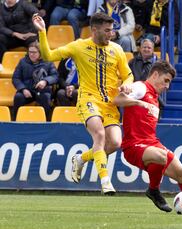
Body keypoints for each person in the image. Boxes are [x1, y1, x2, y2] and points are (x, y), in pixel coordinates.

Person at [33, 12, 134, 194]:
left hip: (110, 103)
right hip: (88, 99)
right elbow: (48, 56)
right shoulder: (79, 46)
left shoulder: (117, 50)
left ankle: (81, 159)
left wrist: (126, 85)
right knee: (99, 135)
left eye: (112, 30)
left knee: (116, 143)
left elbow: (128, 75)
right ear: (94, 30)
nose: (111, 34)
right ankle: (105, 182)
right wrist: (41, 32)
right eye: (107, 30)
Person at [113, 60, 182, 214]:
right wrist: (139, 103)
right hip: (133, 146)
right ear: (154, 75)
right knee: (161, 156)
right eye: (165, 81)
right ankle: (153, 190)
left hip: (152, 143)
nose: (167, 86)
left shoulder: (154, 97)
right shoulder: (141, 88)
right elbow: (117, 100)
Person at [12, 41, 58, 121]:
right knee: (18, 97)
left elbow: (55, 76)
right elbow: (16, 78)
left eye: (34, 52)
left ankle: (47, 122)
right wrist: (23, 89)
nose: (31, 54)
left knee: (46, 98)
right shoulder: (23, 62)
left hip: (43, 90)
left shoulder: (48, 61)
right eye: (30, 52)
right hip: (27, 90)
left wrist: (45, 81)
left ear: (40, 53)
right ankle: (14, 121)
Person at [0, 0, 39, 65]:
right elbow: (1, 27)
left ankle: (33, 66)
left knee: (34, 44)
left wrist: (33, 30)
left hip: (28, 34)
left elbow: (36, 14)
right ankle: (5, 62)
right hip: (13, 36)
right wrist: (14, 34)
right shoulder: (1, 8)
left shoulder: (24, 4)